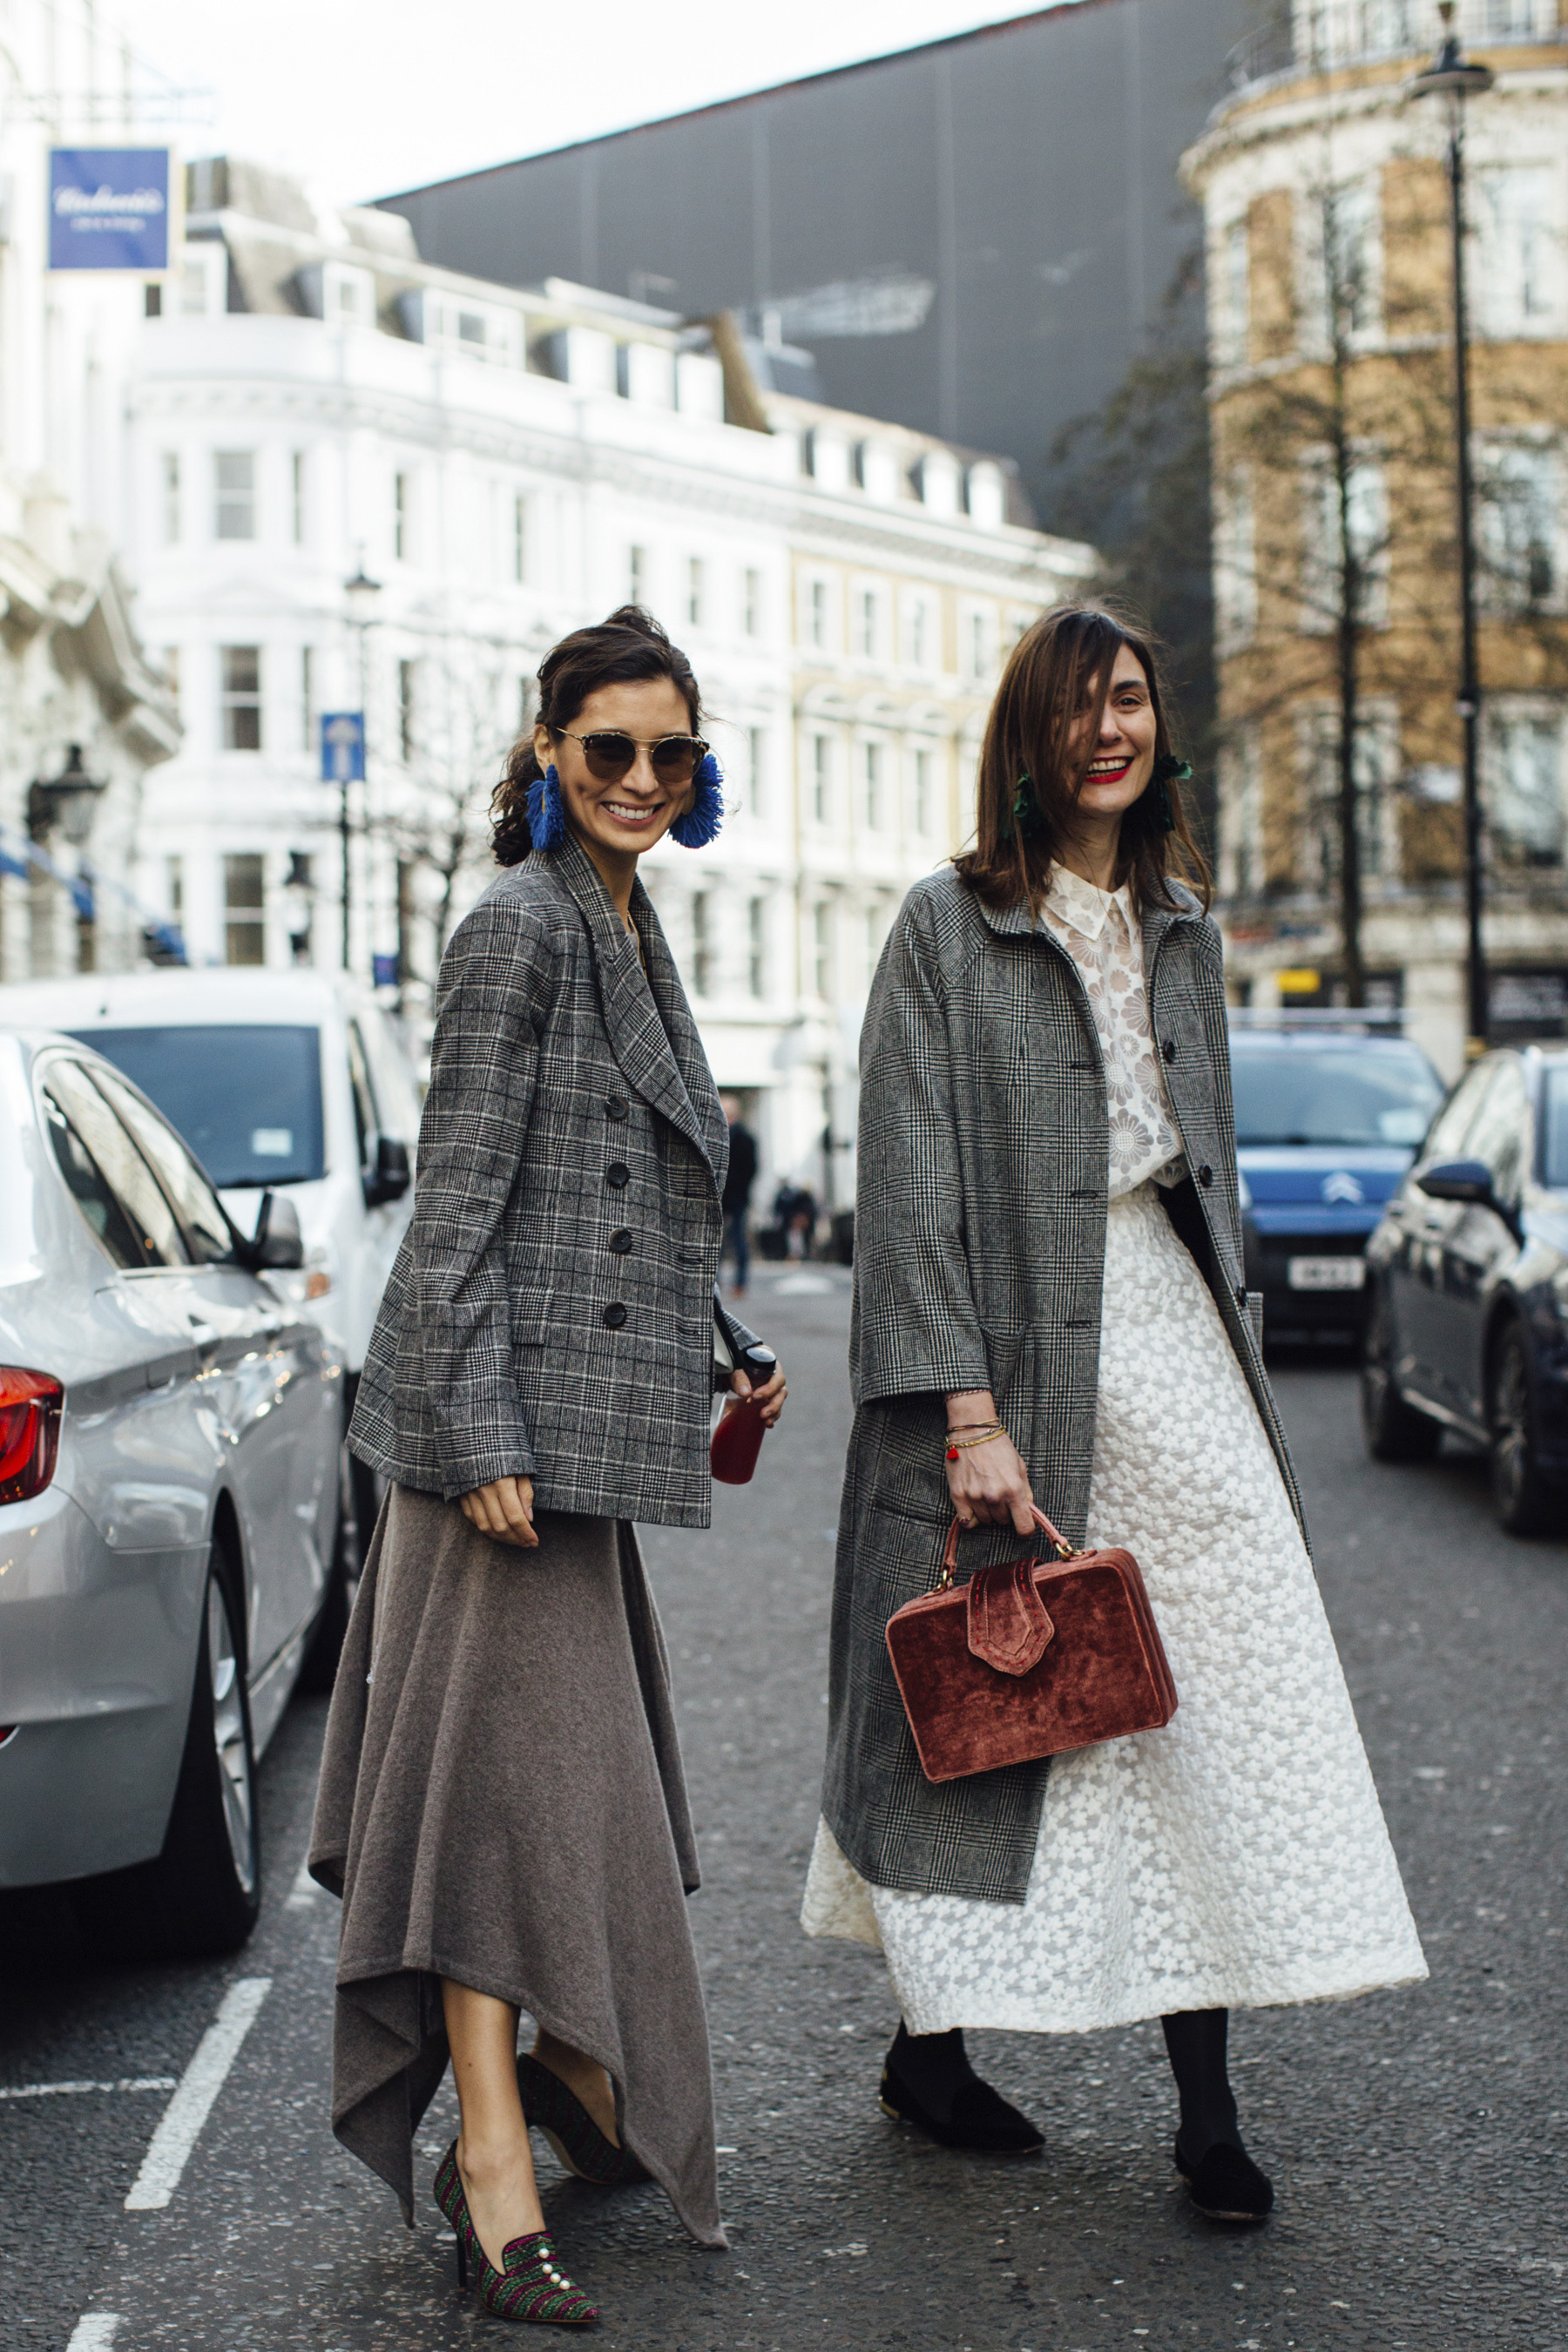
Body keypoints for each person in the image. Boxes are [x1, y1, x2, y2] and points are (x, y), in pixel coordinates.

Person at [801, 602, 1425, 2223]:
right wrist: (966, 1413)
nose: (1111, 728)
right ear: (1029, 733)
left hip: (1173, 1335)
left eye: (1134, 700)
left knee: (1189, 1702)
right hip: (1009, 1352)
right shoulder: (947, 927)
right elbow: (911, 1190)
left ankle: (1206, 2114)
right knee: (995, 1701)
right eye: (1081, 704)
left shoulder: (1185, 927)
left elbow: (1204, 1181)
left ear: (1161, 727)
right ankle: (933, 2050)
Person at [310, 606, 786, 2326]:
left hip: (568, 1447)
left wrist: (719, 1333)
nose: (642, 780)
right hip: (494, 1460)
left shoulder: (629, 923)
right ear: (546, 751)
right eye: (609, 752)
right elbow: (461, 1203)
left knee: (560, 1802)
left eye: (672, 754)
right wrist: (477, 1437)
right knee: (498, 1825)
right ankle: (495, 2166)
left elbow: (610, 1178)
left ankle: (555, 2097)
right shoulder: (518, 925)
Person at [720, 1092, 757, 1297]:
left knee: (719, 1241)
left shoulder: (722, 1136)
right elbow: (752, 1169)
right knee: (738, 1241)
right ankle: (739, 1284)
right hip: (738, 1197)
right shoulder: (746, 1137)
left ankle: (717, 1283)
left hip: (726, 1196)